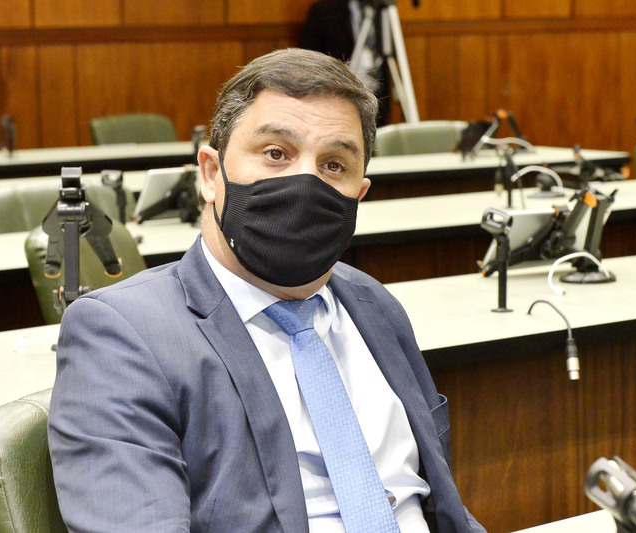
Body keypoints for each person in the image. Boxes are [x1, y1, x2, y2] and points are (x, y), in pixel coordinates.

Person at [48, 48, 485, 533]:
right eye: (276, 154)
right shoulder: (122, 334)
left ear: (359, 193)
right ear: (211, 174)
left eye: (334, 165)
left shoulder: (372, 304)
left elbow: (439, 501)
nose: (305, 182)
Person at [299, 0, 392, 126]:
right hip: (338, 95)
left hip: (377, 96)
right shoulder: (324, 11)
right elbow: (308, 58)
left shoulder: (383, 9)